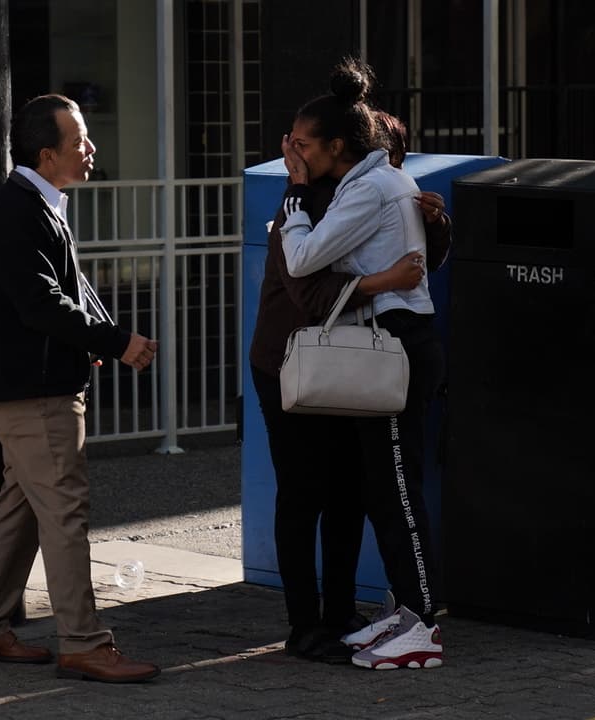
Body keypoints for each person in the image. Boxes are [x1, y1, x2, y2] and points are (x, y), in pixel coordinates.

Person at [0, 94, 160, 684]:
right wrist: (116, 340)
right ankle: (84, 643)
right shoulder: (19, 211)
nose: (91, 149)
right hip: (37, 393)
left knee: (20, 508)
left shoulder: (31, 205)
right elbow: (41, 303)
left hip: (32, 386)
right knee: (65, 512)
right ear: (47, 155)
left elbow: (51, 297)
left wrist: (97, 338)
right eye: (79, 141)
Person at [250, 104, 451, 664]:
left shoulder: (366, 189)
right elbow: (306, 287)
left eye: (301, 145)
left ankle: (349, 614)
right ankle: (305, 624)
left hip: (356, 361)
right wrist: (382, 280)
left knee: (357, 492)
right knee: (304, 493)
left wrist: (432, 225)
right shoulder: (307, 199)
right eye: (292, 143)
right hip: (294, 363)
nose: (292, 153)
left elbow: (412, 257)